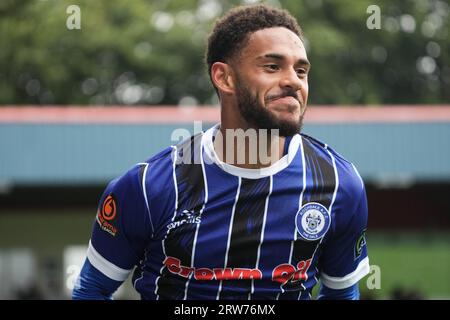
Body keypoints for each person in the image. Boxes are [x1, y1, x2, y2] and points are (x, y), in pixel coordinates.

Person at [73, 4, 369, 300]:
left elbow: (342, 294)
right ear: (224, 78)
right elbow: (92, 290)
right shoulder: (150, 187)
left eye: (301, 70)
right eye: (272, 66)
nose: (293, 80)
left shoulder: (339, 186)